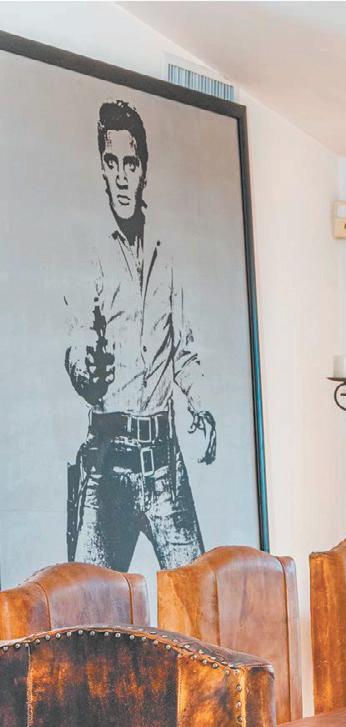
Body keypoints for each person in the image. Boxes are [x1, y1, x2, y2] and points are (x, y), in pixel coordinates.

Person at [64, 99, 215, 570]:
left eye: (130, 164)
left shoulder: (166, 252)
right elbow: (77, 340)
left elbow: (183, 350)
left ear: (143, 169)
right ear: (102, 168)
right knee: (87, 607)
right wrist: (85, 370)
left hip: (166, 465)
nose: (122, 176)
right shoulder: (89, 251)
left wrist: (202, 404)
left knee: (198, 599)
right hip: (109, 464)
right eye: (112, 163)